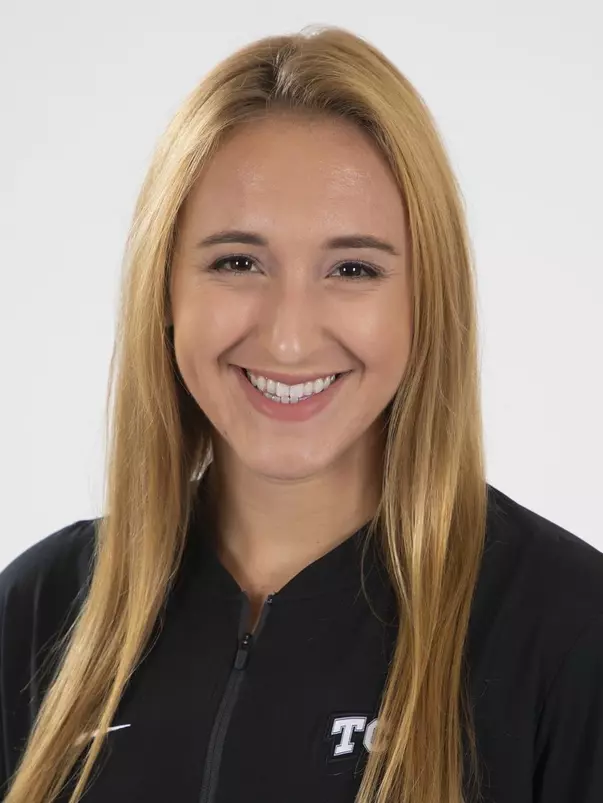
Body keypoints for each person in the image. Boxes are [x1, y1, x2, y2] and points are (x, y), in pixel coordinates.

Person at [1, 24, 602, 803]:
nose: (287, 335)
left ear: (426, 301)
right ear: (165, 293)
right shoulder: (39, 615)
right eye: (237, 262)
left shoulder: (565, 630)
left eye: (352, 268)